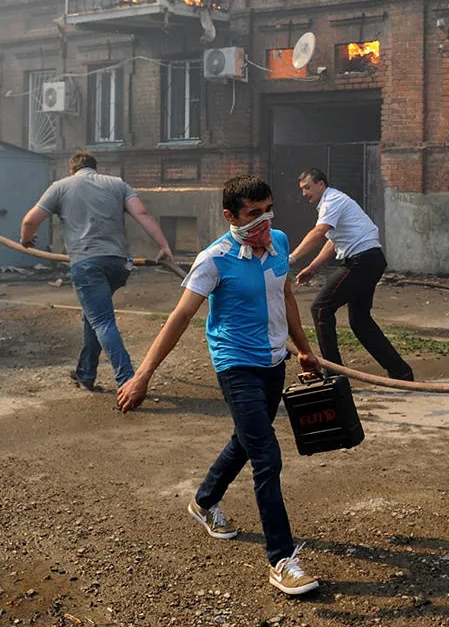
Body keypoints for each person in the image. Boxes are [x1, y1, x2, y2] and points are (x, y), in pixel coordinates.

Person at [118, 174, 322, 596]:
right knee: (266, 454)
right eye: (253, 215)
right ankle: (282, 560)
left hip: (272, 362)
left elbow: (285, 298)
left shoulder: (280, 242)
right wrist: (143, 375)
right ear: (230, 216)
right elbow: (180, 318)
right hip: (236, 367)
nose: (264, 222)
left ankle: (205, 501)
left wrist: (303, 349)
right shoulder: (215, 259)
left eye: (268, 210)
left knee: (246, 442)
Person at [21, 149, 174, 392]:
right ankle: (86, 373)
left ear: (72, 169)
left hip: (87, 263)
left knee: (102, 320)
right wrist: (163, 245)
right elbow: (142, 213)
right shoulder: (117, 184)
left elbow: (30, 220)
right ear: (95, 167)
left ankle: (128, 380)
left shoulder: (60, 187)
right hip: (119, 264)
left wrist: (26, 240)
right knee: (92, 315)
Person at [289, 167, 413, 381]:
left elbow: (319, 233)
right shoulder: (330, 204)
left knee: (320, 309)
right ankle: (400, 372)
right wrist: (312, 268)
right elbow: (332, 240)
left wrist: (291, 258)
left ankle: (334, 373)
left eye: (307, 187)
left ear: (321, 184)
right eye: (302, 190)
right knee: (360, 322)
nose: (304, 193)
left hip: (362, 261)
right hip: (370, 260)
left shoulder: (332, 201)